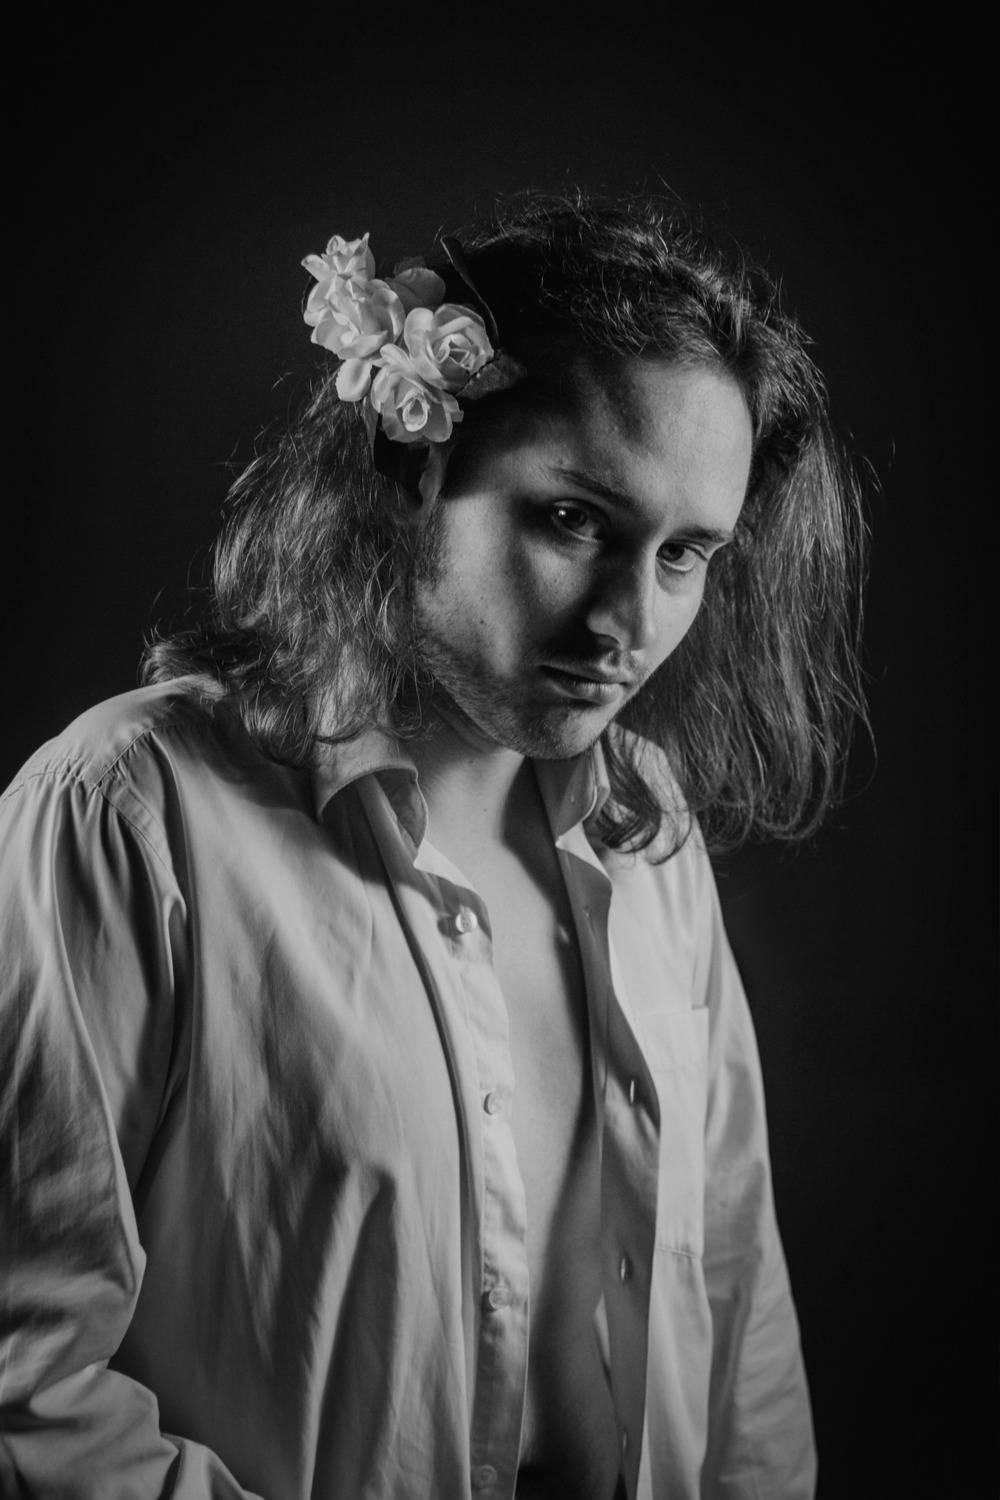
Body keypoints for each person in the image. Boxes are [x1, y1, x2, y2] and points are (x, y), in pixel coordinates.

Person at [0, 192, 866, 1500]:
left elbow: (739, 1318)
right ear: (413, 471)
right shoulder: (131, 815)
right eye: (576, 519)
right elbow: (30, 1380)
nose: (628, 622)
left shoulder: (648, 830)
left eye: (686, 554)